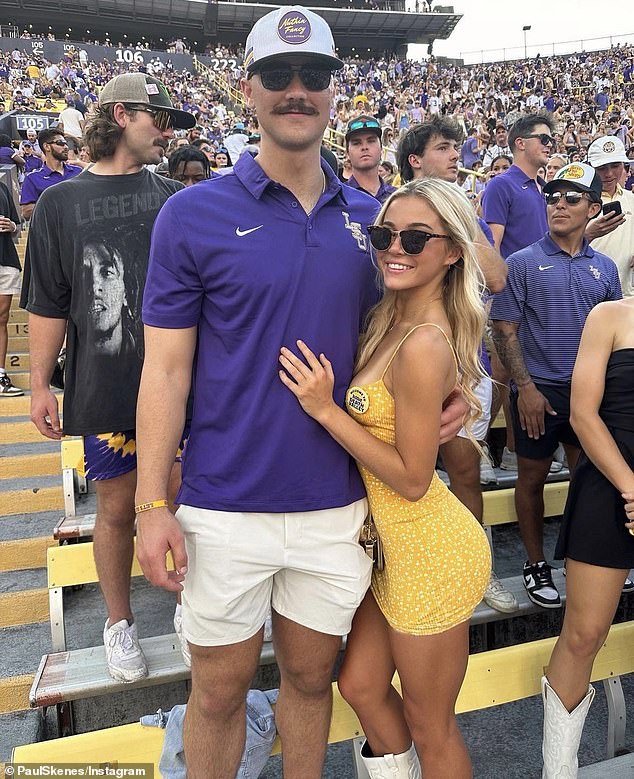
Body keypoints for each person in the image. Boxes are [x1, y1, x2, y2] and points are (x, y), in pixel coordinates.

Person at [135, 8, 466, 778]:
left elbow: (424, 325)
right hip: (223, 504)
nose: (296, 91)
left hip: (336, 504)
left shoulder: (376, 224)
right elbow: (164, 371)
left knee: (312, 682)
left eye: (312, 76)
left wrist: (457, 400)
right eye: (278, 76)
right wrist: (153, 503)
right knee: (216, 693)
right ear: (247, 88)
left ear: (330, 90)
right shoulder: (191, 213)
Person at [279, 178, 491, 778]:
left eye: (417, 238)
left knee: (431, 724)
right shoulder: (386, 319)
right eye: (383, 234)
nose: (395, 247)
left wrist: (325, 410)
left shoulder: (424, 343)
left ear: (452, 251)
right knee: (361, 686)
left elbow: (415, 479)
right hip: (390, 549)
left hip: (429, 549)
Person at [21, 72, 194, 683]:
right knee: (118, 507)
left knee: (182, 497)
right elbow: (47, 302)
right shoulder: (59, 205)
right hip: (107, 384)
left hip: (181, 385)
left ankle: (186, 608)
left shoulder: (176, 196)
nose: (167, 130)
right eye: (159, 117)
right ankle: (119, 622)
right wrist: (41, 383)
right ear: (123, 115)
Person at [397, 116, 515, 613]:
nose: (455, 157)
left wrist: (462, 220)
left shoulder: (462, 212)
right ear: (416, 160)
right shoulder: (394, 212)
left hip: (460, 361)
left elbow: (496, 277)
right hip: (401, 358)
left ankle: (476, 565)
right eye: (445, 148)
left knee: (465, 468)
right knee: (400, 476)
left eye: (456, 148)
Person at [491, 163, 622, 608]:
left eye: (571, 198)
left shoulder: (605, 269)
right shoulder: (522, 262)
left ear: (593, 208)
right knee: (531, 478)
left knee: (592, 478)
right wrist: (525, 389)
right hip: (540, 391)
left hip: (590, 395)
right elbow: (504, 330)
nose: (559, 205)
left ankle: (586, 558)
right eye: (553, 197)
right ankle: (534, 562)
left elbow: (613, 342)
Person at [540, 296, 634, 777]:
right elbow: (582, 414)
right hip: (607, 481)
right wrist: (631, 487)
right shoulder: (610, 316)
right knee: (583, 635)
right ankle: (558, 771)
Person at [482, 112, 555, 472]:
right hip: (509, 294)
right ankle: (482, 444)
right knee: (501, 373)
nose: (550, 145)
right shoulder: (501, 185)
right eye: (544, 139)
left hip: (537, 294)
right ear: (520, 143)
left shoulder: (541, 188)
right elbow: (492, 244)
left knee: (519, 373)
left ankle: (517, 448)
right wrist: (496, 292)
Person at [585, 135, 634, 297]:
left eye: (615, 166)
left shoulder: (631, 199)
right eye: (602, 168)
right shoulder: (577, 201)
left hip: (627, 293)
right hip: (589, 292)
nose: (609, 173)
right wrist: (588, 235)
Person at [20, 128, 82, 220]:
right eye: (60, 143)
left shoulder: (78, 172)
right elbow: (26, 213)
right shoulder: (32, 179)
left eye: (66, 143)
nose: (66, 147)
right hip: (52, 232)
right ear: (47, 147)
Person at [0, 179, 22, 396]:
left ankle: (0, 374)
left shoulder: (3, 187)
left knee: (2, 318)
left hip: (5, 259)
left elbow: (18, 224)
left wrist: (12, 226)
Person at [344, 114, 396, 204]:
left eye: (371, 141)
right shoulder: (338, 199)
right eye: (356, 143)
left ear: (381, 149)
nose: (364, 147)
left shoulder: (397, 198)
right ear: (347, 153)